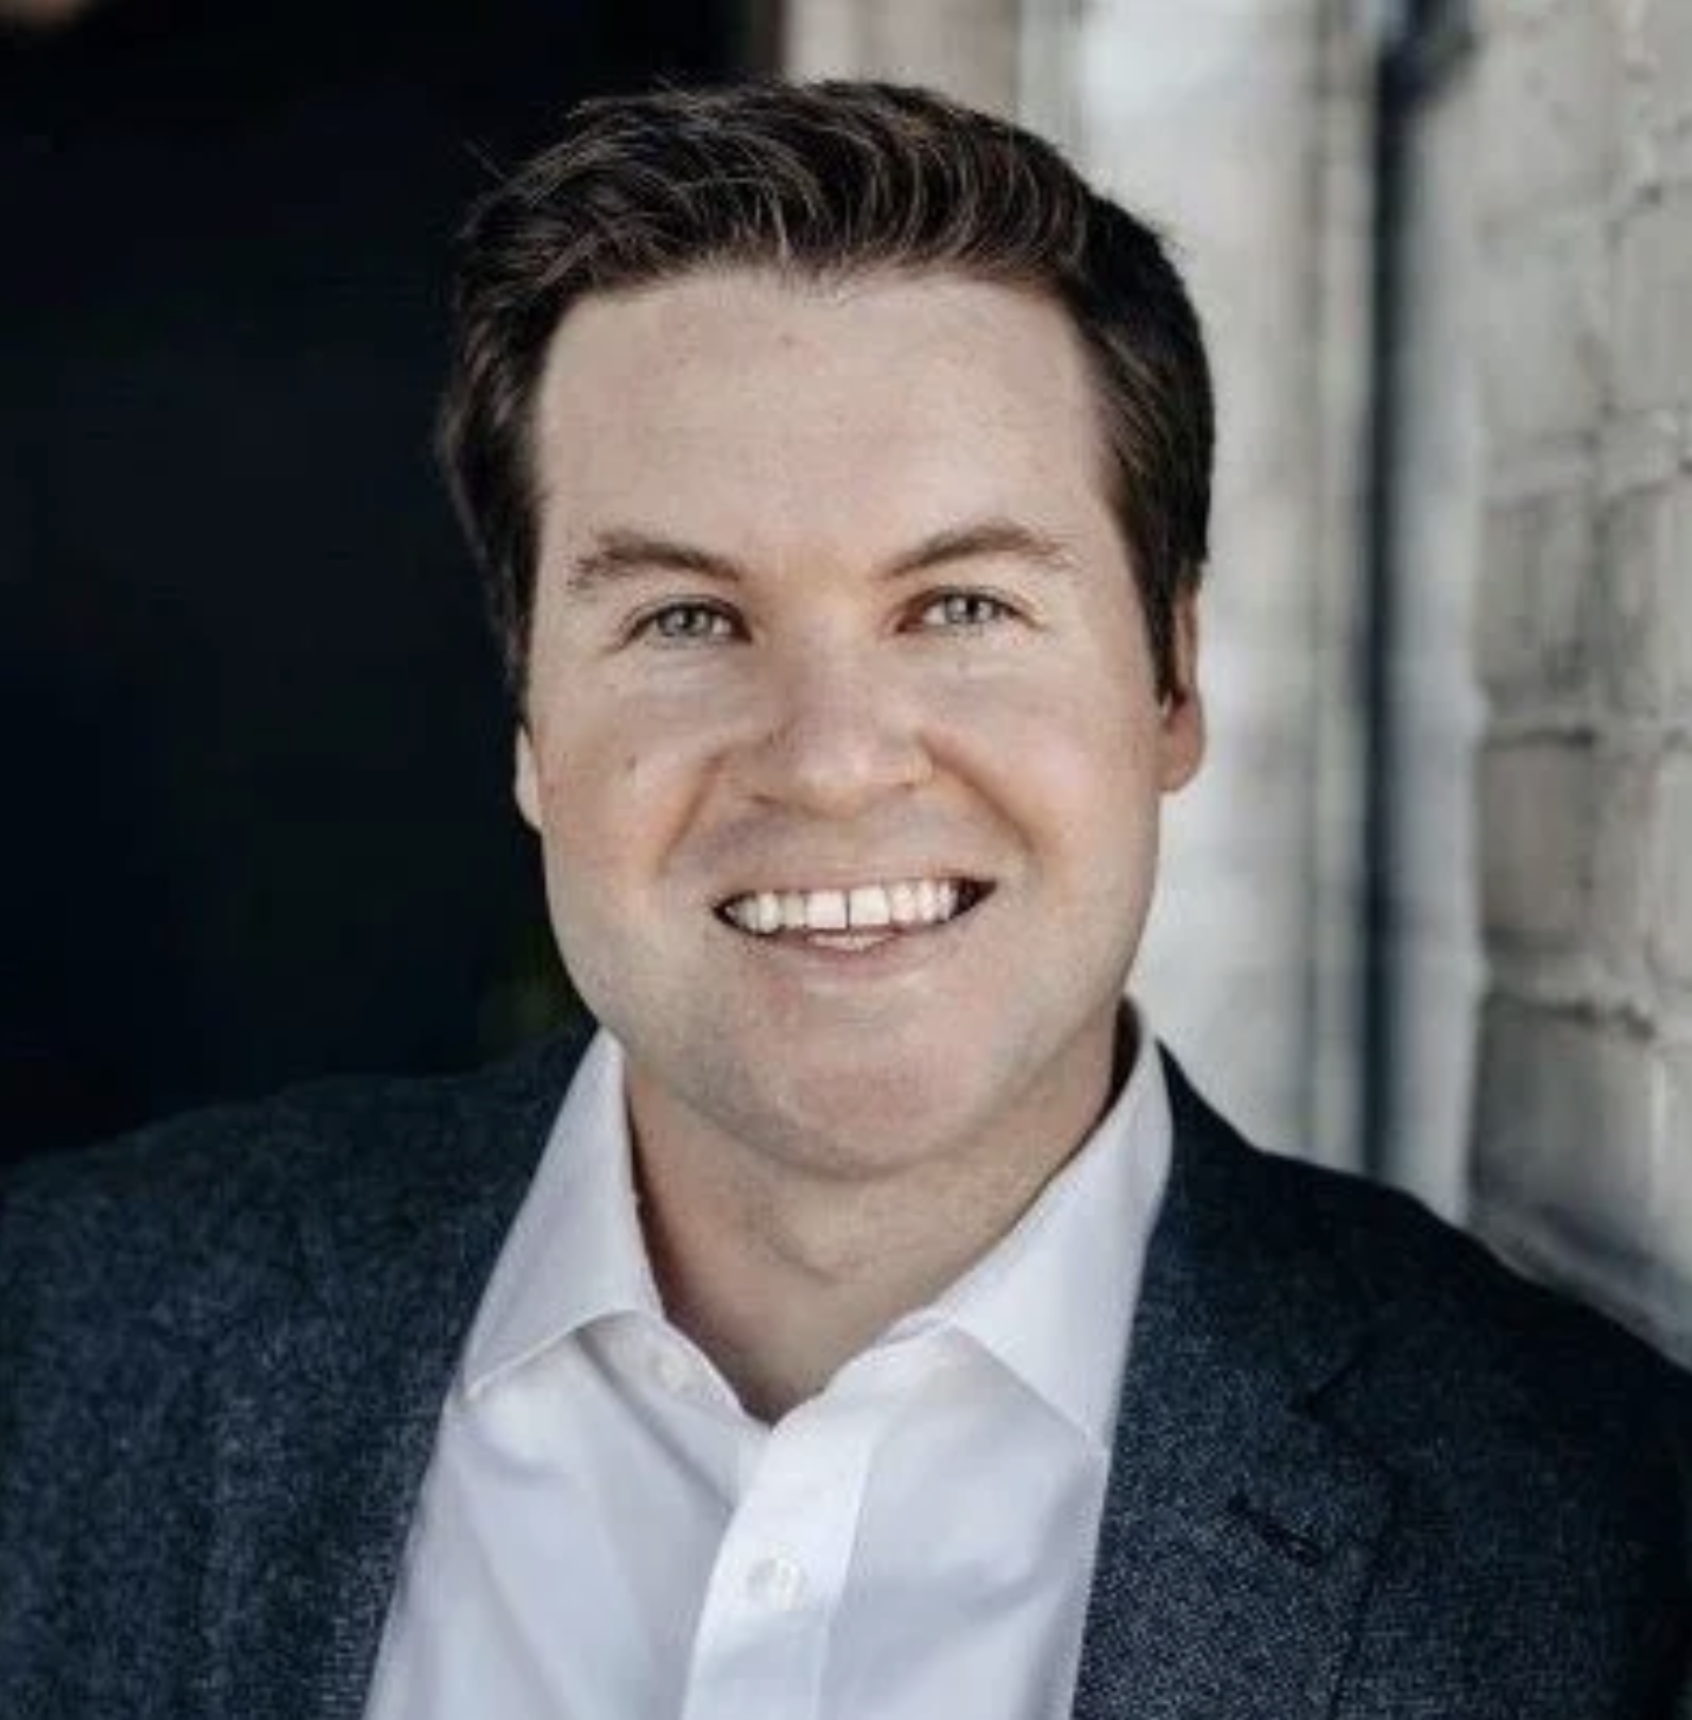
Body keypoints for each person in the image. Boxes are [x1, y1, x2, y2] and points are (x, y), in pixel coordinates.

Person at [1, 80, 1688, 1720]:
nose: (828, 761)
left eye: (957, 605)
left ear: (1169, 681)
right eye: (682, 620)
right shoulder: (66, 1343)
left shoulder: (1591, 1545)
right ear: (530, 723)